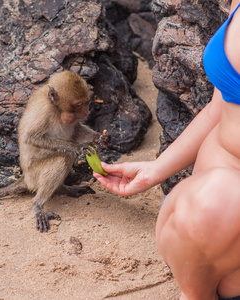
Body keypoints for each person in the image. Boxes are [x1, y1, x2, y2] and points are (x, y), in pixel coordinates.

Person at [93, 1, 240, 299]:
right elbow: (220, 107)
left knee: (218, 199)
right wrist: (155, 170)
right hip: (200, 234)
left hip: (217, 216)